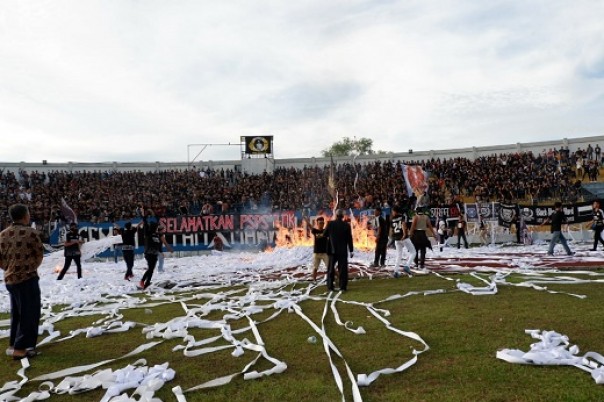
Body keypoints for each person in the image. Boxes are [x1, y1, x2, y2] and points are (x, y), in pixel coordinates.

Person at [0, 204, 44, 359]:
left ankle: (14, 343)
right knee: (29, 314)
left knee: (17, 313)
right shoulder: (30, 233)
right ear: (25, 215)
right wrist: (29, 267)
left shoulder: (3, 234)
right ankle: (20, 348)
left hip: (10, 279)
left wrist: (9, 268)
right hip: (27, 278)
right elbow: (39, 254)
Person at [324, 209, 354, 291]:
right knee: (343, 269)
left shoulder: (330, 224)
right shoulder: (346, 225)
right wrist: (351, 250)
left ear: (336, 215)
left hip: (332, 250)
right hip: (343, 250)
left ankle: (330, 286)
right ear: (343, 216)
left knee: (330, 268)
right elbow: (349, 239)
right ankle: (343, 286)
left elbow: (324, 234)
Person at [138, 212, 162, 289]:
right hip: (149, 253)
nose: (156, 228)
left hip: (155, 254)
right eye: (155, 227)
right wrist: (145, 218)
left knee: (151, 269)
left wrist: (157, 218)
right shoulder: (148, 233)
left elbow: (158, 224)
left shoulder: (156, 234)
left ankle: (147, 283)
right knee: (151, 268)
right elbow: (145, 224)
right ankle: (143, 281)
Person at [390, 207, 414, 277]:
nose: (392, 212)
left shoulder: (392, 219)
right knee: (413, 252)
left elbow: (391, 230)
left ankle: (396, 271)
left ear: (395, 211)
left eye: (393, 211)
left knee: (399, 255)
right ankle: (407, 266)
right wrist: (404, 234)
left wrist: (391, 239)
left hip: (396, 239)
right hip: (403, 238)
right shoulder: (402, 217)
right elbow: (404, 225)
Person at [310, 217, 329, 281]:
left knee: (330, 267)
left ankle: (340, 277)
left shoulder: (325, 231)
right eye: (320, 223)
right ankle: (314, 280)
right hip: (317, 253)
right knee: (315, 268)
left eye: (322, 223)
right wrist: (305, 219)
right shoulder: (315, 231)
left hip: (324, 253)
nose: (321, 224)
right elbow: (310, 226)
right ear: (317, 224)